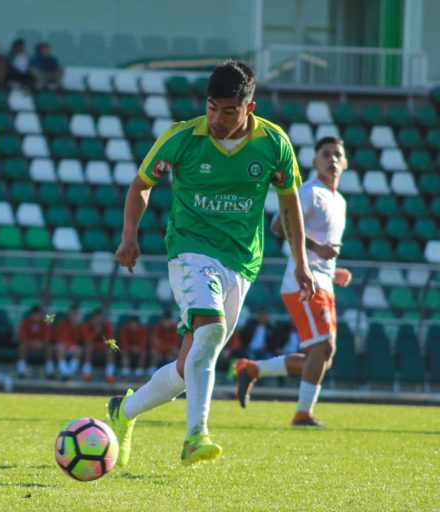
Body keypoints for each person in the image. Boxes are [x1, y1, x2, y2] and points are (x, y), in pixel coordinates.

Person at [106, 60, 315, 468]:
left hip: (242, 261)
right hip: (190, 249)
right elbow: (141, 184)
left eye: (228, 111)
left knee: (189, 366)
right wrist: (129, 235)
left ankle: (123, 411)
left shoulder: (274, 144)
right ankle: (196, 435)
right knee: (212, 329)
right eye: (211, 108)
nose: (217, 119)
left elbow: (289, 201)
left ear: (249, 109)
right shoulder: (182, 137)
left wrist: (301, 260)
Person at [234, 136, 352, 427]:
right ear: (315, 162)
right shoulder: (309, 192)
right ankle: (302, 414)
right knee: (322, 349)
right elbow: (278, 224)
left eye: (337, 155)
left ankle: (252, 369)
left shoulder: (339, 200)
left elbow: (323, 245)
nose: (332, 159)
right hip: (304, 282)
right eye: (326, 154)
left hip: (324, 280)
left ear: (345, 163)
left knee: (322, 357)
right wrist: (316, 249)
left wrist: (333, 269)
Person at [16, 304, 54, 379]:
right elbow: (22, 337)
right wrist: (32, 342)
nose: (35, 317)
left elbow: (47, 338)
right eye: (34, 315)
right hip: (28, 345)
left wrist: (40, 343)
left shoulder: (45, 323)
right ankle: (21, 370)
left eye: (37, 315)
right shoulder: (25, 322)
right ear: (30, 315)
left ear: (40, 315)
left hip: (41, 345)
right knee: (22, 346)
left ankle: (50, 371)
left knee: (49, 346)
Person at [81, 308, 115, 382]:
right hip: (92, 348)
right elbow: (88, 340)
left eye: (100, 317)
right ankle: (87, 373)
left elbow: (109, 340)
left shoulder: (107, 326)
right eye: (96, 318)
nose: (98, 320)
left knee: (110, 349)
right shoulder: (87, 325)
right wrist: (96, 331)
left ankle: (109, 375)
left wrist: (99, 345)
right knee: (88, 347)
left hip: (103, 348)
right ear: (93, 318)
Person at [53, 304, 83, 380]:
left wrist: (74, 327)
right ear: (68, 314)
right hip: (62, 346)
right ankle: (65, 372)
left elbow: (79, 340)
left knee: (78, 350)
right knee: (60, 347)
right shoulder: (61, 324)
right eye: (72, 313)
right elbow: (58, 338)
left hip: (72, 347)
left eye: (75, 314)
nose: (73, 316)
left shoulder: (79, 326)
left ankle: (69, 373)